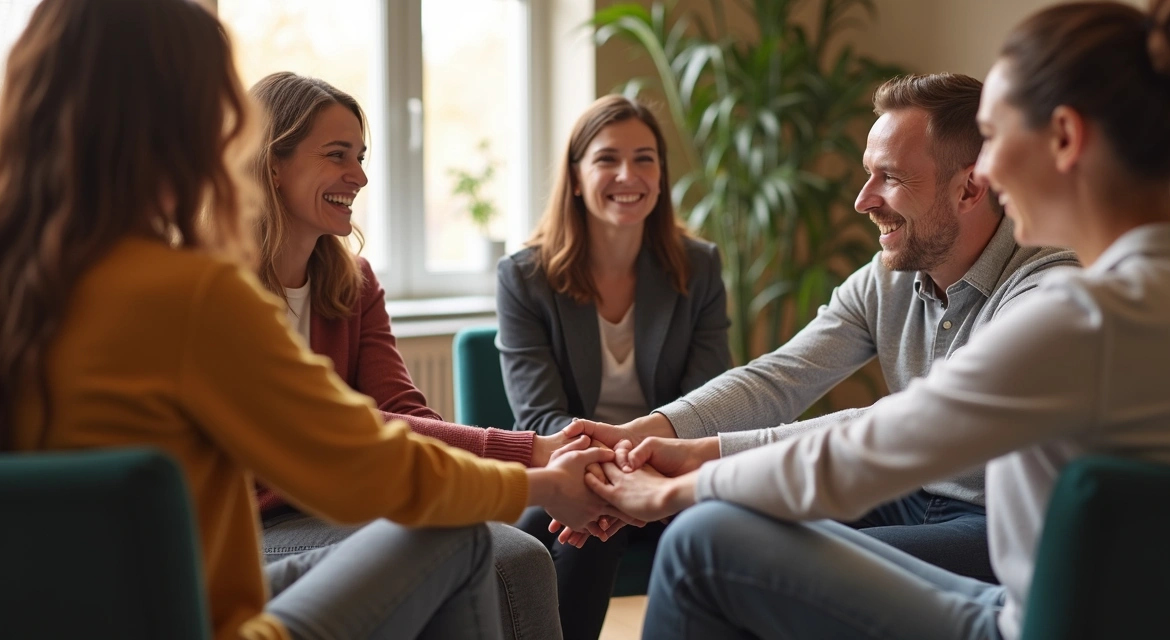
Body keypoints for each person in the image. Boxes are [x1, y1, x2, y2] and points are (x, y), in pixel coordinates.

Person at [588, 1, 1170, 638]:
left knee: (704, 537)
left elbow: (876, 443)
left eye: (994, 136)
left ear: (1064, 137)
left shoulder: (1078, 315)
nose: (988, 169)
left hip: (1020, 622)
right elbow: (791, 382)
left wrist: (672, 492)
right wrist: (683, 446)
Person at [0, 1, 624, 639]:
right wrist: (541, 481)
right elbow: (364, 463)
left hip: (120, 604)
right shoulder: (195, 293)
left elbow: (395, 419)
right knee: (460, 540)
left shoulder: (30, 278)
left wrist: (532, 475)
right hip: (200, 614)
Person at [567, 72, 1079, 582]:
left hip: (1002, 525)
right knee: (717, 525)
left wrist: (702, 457)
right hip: (910, 495)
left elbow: (901, 422)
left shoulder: (1045, 293)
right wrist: (643, 436)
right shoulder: (888, 278)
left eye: (891, 177)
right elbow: (779, 377)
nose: (863, 200)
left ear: (969, 188)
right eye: (867, 173)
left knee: (756, 560)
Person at [247, 71, 575, 640]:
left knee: (518, 556)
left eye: (361, 155)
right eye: (337, 155)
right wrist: (534, 454)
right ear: (273, 163)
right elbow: (339, 427)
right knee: (468, 547)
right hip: (256, 524)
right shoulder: (218, 288)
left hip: (352, 502)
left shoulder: (354, 282)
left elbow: (406, 413)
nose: (360, 176)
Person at [495, 94, 733, 640]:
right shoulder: (524, 276)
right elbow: (539, 415)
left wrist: (639, 469)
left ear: (661, 174)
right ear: (576, 176)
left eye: (645, 158)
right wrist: (607, 476)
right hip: (572, 466)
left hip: (668, 470)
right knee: (581, 518)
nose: (628, 174)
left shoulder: (698, 267)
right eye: (607, 159)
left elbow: (707, 398)